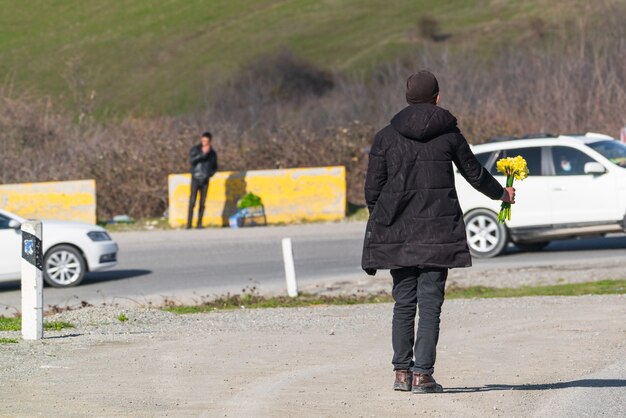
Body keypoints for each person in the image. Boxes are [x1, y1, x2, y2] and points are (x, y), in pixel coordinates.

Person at [361, 70, 515, 394]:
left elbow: (371, 191)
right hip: (438, 231)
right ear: (437, 97)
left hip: (398, 232)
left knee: (403, 302)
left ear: (407, 98)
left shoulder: (386, 137)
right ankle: (423, 375)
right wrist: (501, 193)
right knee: (430, 303)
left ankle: (401, 373)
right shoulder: (449, 134)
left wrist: (386, 217)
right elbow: (474, 173)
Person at [187, 131, 218, 229]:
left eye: (206, 141)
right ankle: (189, 224)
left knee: (202, 202)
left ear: (210, 141)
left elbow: (215, 166)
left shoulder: (212, 153)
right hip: (196, 178)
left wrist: (210, 174)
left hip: (205, 179)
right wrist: (203, 155)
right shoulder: (195, 149)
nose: (204, 142)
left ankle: (199, 223)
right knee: (192, 201)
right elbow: (192, 161)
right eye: (203, 140)